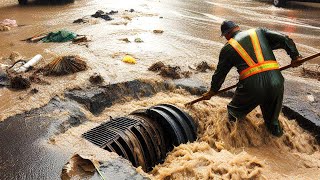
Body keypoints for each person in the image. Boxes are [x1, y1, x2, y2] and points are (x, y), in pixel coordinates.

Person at [203, 20, 302, 137]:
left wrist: (212, 91)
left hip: (252, 87)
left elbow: (220, 74)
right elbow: (284, 39)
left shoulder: (227, 48)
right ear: (238, 28)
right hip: (276, 81)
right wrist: (295, 56)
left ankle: (231, 144)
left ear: (227, 35)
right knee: (272, 122)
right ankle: (278, 145)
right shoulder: (258, 32)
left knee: (233, 114)